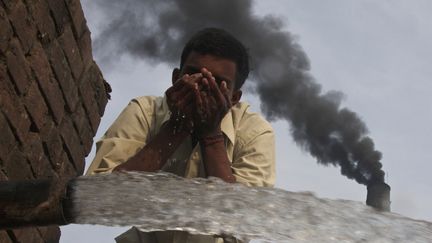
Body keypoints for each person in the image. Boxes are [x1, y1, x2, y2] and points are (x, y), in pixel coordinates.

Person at [86, 28, 275, 243]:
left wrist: (211, 135)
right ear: (176, 77)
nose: (202, 88)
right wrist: (176, 128)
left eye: (217, 83)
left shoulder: (255, 133)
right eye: (193, 74)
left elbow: (241, 228)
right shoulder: (145, 111)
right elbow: (97, 199)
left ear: (234, 98)